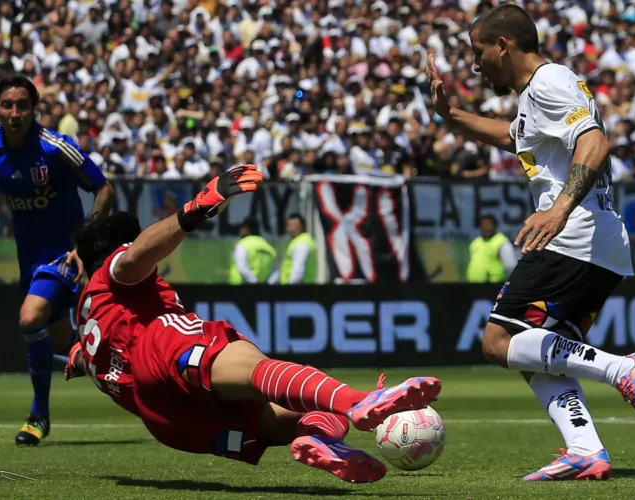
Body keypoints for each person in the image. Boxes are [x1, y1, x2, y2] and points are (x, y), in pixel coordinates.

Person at [64, 164, 440, 484]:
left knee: (301, 414)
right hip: (160, 353)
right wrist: (196, 209)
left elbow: (82, 357)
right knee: (258, 369)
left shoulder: (88, 318)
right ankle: (359, 401)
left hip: (171, 423)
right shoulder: (115, 272)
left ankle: (325, 440)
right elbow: (131, 259)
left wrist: (78, 358)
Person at [428, 4, 635, 481]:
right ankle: (585, 448)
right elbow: (513, 137)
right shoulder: (534, 94)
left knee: (498, 341)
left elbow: (594, 142)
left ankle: (624, 370)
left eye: (478, 52)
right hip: (597, 242)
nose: (475, 64)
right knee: (534, 350)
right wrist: (449, 114)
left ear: (503, 46)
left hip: (573, 235)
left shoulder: (551, 81)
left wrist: (558, 209)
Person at [0, 75, 114, 446]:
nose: (14, 113)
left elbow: (104, 188)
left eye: (22, 106)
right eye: (7, 105)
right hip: (28, 257)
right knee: (71, 348)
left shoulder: (55, 147)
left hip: (63, 252)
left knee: (30, 317)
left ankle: (38, 415)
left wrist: (85, 242)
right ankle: (132, 366)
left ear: (34, 110)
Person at [229, 217, 280, 284]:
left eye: (241, 228)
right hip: (265, 291)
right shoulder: (269, 247)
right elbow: (276, 271)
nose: (240, 231)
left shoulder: (242, 244)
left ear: (246, 229)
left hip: (240, 289)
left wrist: (255, 283)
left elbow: (242, 268)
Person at [466, 215, 516, 283]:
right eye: (483, 226)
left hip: (493, 286)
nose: (486, 228)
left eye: (488, 225)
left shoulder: (502, 242)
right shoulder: (476, 242)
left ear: (495, 226)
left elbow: (510, 266)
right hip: (472, 285)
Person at [282, 213, 317, 284]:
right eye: (289, 225)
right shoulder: (306, 240)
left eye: (294, 226)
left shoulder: (301, 243)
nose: (290, 229)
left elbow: (298, 272)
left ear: (303, 226)